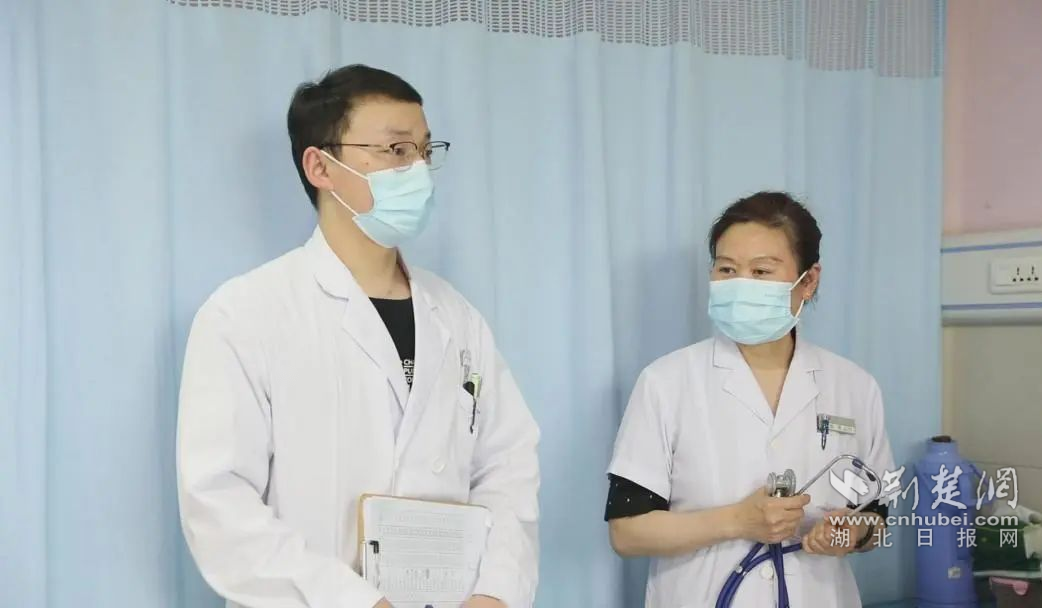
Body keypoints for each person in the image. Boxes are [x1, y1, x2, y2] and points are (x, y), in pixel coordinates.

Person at [176, 64, 540, 608]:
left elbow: (508, 468)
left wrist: (495, 592)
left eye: (424, 150)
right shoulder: (245, 314)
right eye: (395, 150)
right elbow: (219, 503)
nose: (418, 168)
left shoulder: (457, 318)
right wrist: (353, 601)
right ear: (320, 166)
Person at [605, 191, 896, 607]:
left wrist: (853, 533)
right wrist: (737, 521)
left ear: (808, 281)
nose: (741, 284)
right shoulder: (666, 382)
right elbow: (627, 533)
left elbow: (877, 517)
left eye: (761, 271)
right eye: (727, 269)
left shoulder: (854, 386)